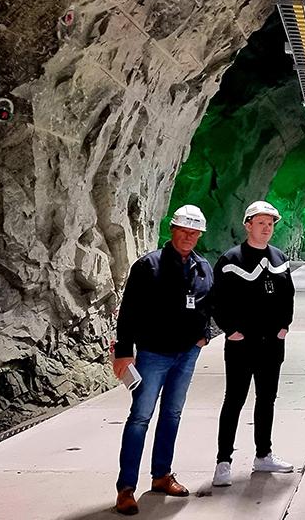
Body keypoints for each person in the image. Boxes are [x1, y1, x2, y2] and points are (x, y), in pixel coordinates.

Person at [112, 204, 213, 516]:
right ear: (173, 230)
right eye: (183, 230)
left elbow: (210, 305)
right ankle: (126, 489)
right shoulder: (148, 266)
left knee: (172, 415)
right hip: (154, 353)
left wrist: (206, 334)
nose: (188, 236)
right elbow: (128, 311)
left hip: (187, 354)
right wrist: (124, 352)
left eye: (194, 232)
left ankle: (161, 475)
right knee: (140, 417)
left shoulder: (202, 267)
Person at [212, 200, 295, 487]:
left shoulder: (279, 258)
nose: (267, 228)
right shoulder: (231, 260)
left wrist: (285, 326)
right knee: (233, 400)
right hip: (240, 345)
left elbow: (288, 297)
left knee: (266, 400)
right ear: (248, 225)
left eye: (270, 224)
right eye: (261, 223)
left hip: (272, 345)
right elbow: (217, 300)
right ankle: (223, 461)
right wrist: (230, 330)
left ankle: (263, 454)